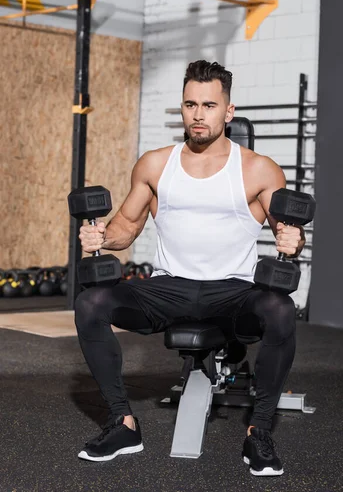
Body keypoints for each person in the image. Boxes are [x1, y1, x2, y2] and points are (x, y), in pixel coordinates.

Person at [75, 60, 306, 476]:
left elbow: (287, 231)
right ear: (182, 108)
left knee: (281, 310)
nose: (199, 114)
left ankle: (260, 430)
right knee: (91, 303)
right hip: (169, 288)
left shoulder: (258, 168)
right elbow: (125, 228)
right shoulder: (155, 164)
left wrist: (294, 240)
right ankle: (123, 423)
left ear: (228, 112)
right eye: (190, 104)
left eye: (209, 105)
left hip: (233, 290)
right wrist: (101, 237)